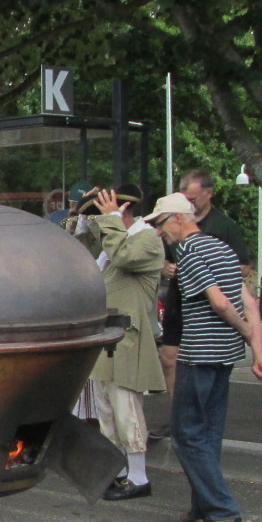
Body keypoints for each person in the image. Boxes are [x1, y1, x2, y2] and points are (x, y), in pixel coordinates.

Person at [145, 192, 262, 522]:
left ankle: (220, 510)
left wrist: (246, 332)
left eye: (161, 223)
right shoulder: (222, 248)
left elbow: (218, 301)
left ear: (178, 219)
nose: (160, 233)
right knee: (209, 433)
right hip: (225, 355)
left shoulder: (190, 252)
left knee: (186, 433)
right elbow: (246, 301)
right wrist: (255, 348)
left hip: (199, 353)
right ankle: (202, 508)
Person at [79, 186, 166, 501]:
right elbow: (82, 256)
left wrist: (112, 219)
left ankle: (139, 477)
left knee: (126, 407)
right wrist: (81, 214)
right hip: (108, 336)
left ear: (124, 208)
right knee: (106, 409)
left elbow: (124, 257)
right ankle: (118, 472)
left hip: (128, 336)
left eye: (102, 212)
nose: (98, 220)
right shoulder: (113, 238)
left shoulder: (147, 240)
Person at [155, 169, 255, 430]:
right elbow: (168, 258)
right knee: (171, 361)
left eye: (194, 198)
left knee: (193, 432)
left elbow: (230, 286)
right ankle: (180, 418)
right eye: (185, 197)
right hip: (183, 306)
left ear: (209, 194)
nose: (191, 203)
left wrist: (247, 331)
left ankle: (185, 423)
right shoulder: (185, 245)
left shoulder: (212, 236)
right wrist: (167, 266)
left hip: (207, 336)